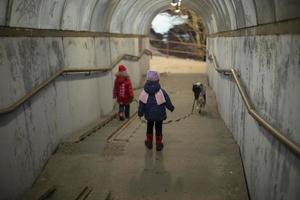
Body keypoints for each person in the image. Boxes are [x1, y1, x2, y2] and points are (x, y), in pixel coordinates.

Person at [138, 70, 175, 151]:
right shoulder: (161, 91)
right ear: (158, 80)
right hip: (159, 115)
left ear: (147, 80)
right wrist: (171, 107)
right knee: (159, 128)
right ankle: (158, 144)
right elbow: (167, 100)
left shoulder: (144, 92)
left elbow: (142, 103)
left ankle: (149, 143)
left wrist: (140, 113)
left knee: (149, 127)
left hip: (149, 115)